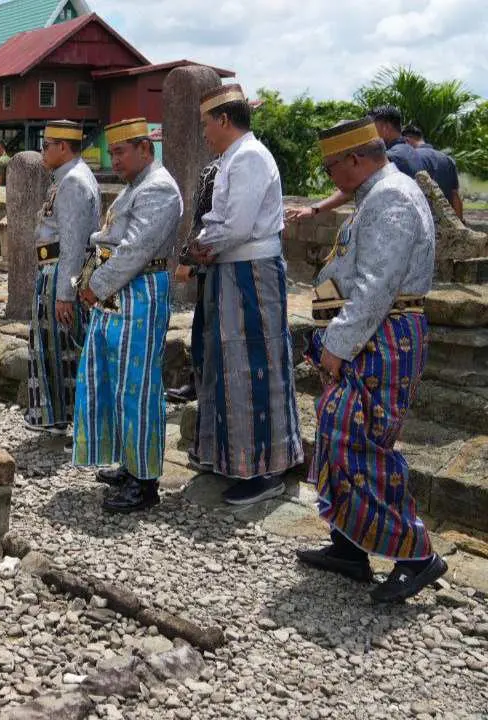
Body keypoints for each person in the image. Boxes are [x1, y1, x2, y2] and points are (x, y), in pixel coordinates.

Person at [296, 118, 444, 604]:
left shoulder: (391, 197)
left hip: (382, 335)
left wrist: (338, 343)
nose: (329, 176)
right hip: (372, 333)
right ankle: (350, 543)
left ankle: (417, 554)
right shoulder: (378, 195)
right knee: (339, 433)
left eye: (331, 166)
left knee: (361, 441)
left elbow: (377, 285)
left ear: (355, 159)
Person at [184, 84, 303, 505]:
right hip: (232, 269)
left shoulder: (249, 157)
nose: (203, 133)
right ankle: (232, 457)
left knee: (253, 364)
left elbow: (235, 226)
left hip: (249, 271)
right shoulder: (234, 158)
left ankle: (265, 468)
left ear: (223, 120)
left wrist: (198, 247)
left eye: (204, 124)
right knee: (225, 362)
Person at [73, 118, 182, 513]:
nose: (114, 159)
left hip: (137, 291)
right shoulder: (138, 186)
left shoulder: (159, 189)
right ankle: (130, 463)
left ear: (145, 149)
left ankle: (145, 481)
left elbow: (135, 251)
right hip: (117, 291)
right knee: (116, 380)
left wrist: (95, 285)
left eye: (121, 151)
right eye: (113, 152)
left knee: (137, 385)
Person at [25, 120, 101, 434]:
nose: (42, 151)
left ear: (63, 147)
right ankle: (59, 416)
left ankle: (64, 417)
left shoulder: (73, 182)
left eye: (46, 145)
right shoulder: (67, 177)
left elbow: (72, 242)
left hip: (62, 272)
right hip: (56, 269)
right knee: (54, 345)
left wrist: (64, 294)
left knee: (63, 346)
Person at [286, 105, 421, 222]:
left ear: (353, 161)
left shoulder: (389, 181)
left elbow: (350, 189)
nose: (367, 131)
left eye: (329, 169)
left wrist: (315, 209)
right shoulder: (410, 151)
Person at [165, 155, 220, 405]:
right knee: (205, 322)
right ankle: (200, 379)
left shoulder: (217, 168)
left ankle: (202, 381)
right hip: (215, 258)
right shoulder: (221, 166)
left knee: (207, 324)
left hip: (216, 257)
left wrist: (187, 259)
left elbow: (202, 219)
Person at [402, 124, 465, 219]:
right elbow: (455, 195)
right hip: (447, 222)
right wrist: (460, 224)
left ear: (407, 141)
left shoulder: (411, 159)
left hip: (425, 223)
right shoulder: (447, 159)